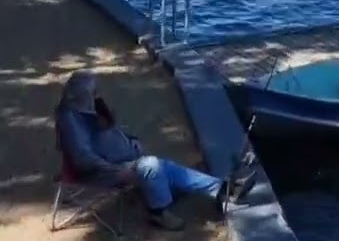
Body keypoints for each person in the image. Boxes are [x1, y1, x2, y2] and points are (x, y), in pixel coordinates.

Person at [55, 68, 257, 231]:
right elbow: (83, 158)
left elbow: (114, 132)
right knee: (152, 166)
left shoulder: (91, 108)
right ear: (82, 94)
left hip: (122, 161)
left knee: (163, 166)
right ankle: (158, 212)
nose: (98, 94)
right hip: (102, 172)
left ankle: (223, 190)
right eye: (93, 91)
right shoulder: (71, 119)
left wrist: (130, 139)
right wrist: (115, 170)